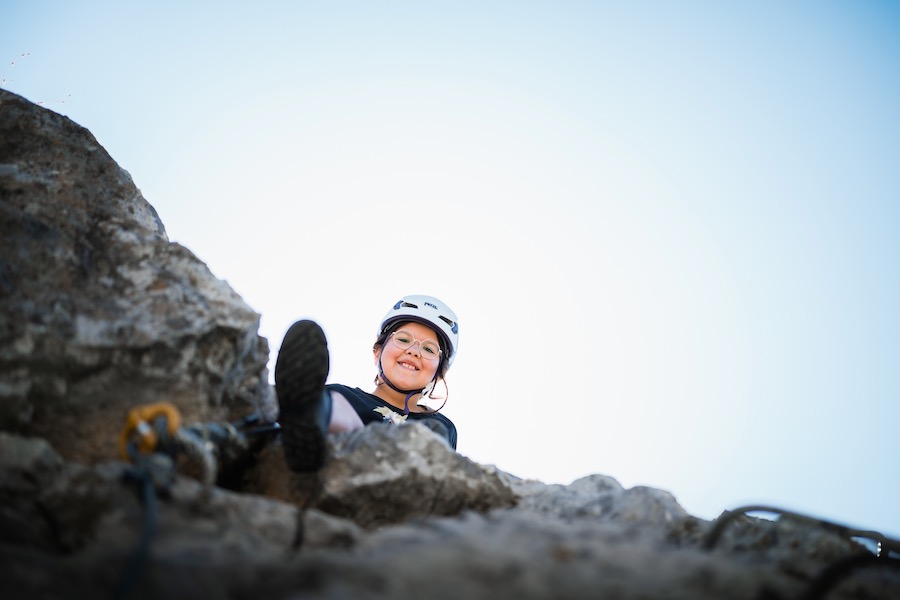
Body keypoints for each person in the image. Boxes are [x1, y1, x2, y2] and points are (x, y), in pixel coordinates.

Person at [274, 294, 459, 473]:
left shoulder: (441, 426)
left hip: (400, 476)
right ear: (377, 352)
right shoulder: (343, 397)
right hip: (340, 457)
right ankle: (308, 417)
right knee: (334, 401)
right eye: (403, 339)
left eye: (429, 349)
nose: (414, 351)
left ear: (438, 373)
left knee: (432, 435)